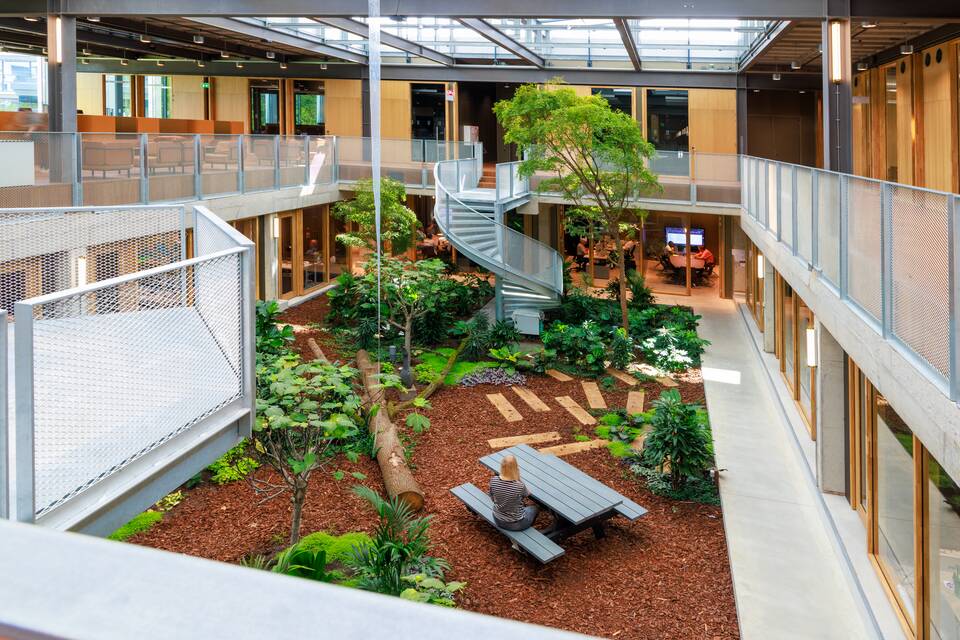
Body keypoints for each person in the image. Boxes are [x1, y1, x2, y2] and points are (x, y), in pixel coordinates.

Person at [489, 455, 538, 531]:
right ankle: (528, 531)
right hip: (515, 524)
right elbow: (528, 494)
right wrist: (518, 478)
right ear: (515, 468)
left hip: (497, 518)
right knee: (534, 508)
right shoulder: (519, 485)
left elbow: (492, 498)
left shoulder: (493, 480)